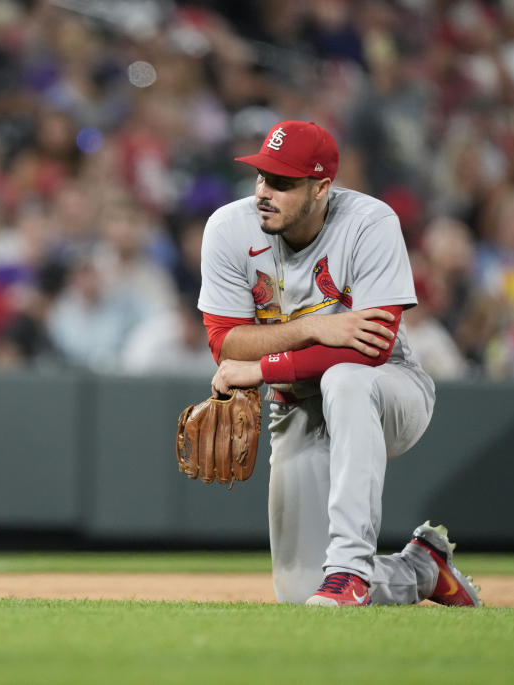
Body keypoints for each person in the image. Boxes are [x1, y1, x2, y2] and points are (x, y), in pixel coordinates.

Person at [198, 120, 481, 607]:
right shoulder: (229, 228)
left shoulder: (370, 223)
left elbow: (369, 346)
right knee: (300, 592)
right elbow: (226, 345)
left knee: (345, 378)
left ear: (321, 187)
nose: (265, 192)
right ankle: (418, 571)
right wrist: (313, 328)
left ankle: (350, 567)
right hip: (298, 408)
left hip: (387, 389)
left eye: (283, 183)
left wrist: (264, 367)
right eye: (262, 176)